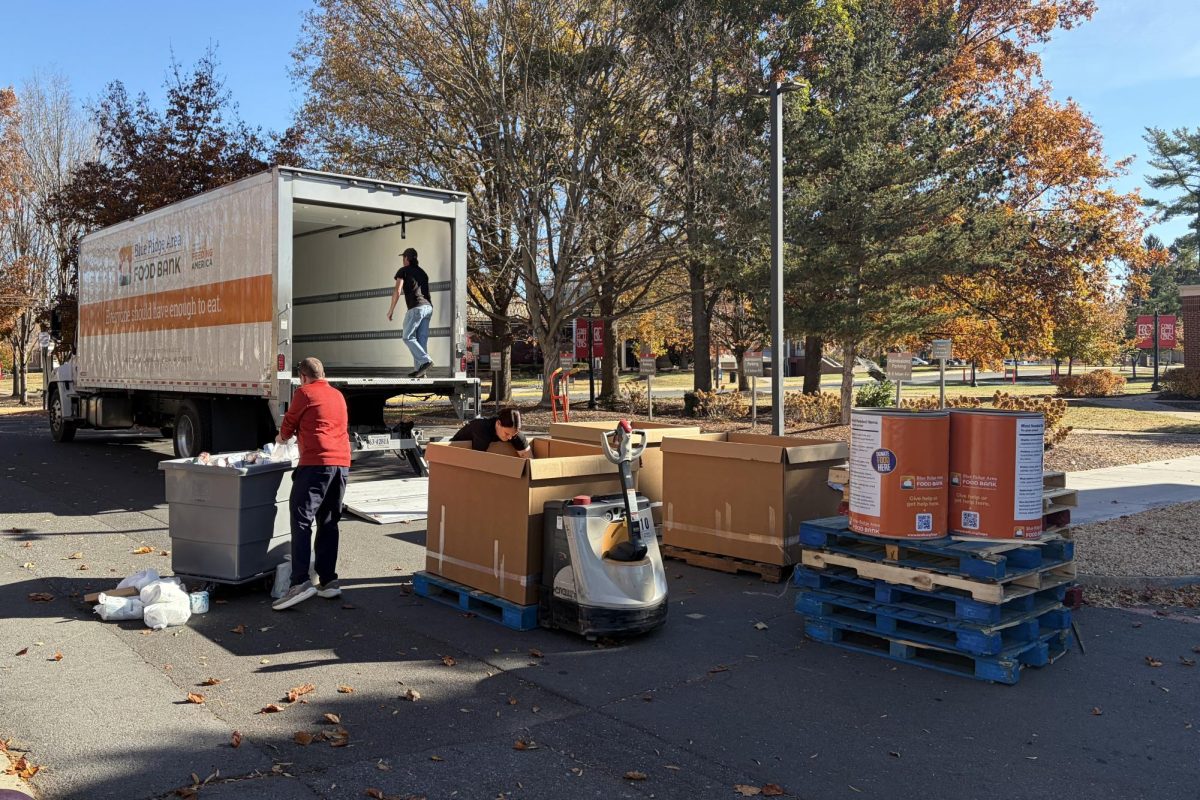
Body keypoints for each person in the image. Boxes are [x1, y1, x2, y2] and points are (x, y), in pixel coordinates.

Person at [272, 357, 351, 611]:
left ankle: (300, 582)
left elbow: (288, 426)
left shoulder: (304, 393)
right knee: (329, 520)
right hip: (341, 464)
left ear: (302, 377)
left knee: (301, 519)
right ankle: (328, 581)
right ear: (323, 374)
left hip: (316, 463)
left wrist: (281, 438)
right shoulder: (337, 395)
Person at [387, 247, 433, 378]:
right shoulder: (423, 273)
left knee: (407, 337)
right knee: (421, 340)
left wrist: (391, 310)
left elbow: (397, 290)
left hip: (416, 308)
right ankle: (420, 371)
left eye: (403, 258)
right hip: (428, 308)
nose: (403, 260)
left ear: (406, 259)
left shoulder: (403, 271)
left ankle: (425, 361)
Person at [450, 408, 531, 458]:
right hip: (452, 454)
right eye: (507, 434)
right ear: (498, 423)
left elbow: (529, 460)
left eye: (513, 434)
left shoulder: (514, 435)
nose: (510, 438)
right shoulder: (482, 429)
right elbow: (478, 462)